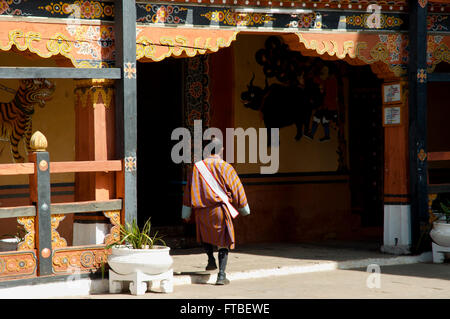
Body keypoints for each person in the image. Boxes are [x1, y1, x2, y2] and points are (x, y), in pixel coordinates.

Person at [181, 138, 250, 285]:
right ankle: (221, 275)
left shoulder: (197, 167)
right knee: (223, 241)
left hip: (201, 211)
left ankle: (210, 260)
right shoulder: (226, 167)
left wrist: (186, 212)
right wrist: (244, 208)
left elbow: (188, 191)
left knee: (205, 235)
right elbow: (237, 188)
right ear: (221, 150)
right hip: (219, 210)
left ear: (206, 150)